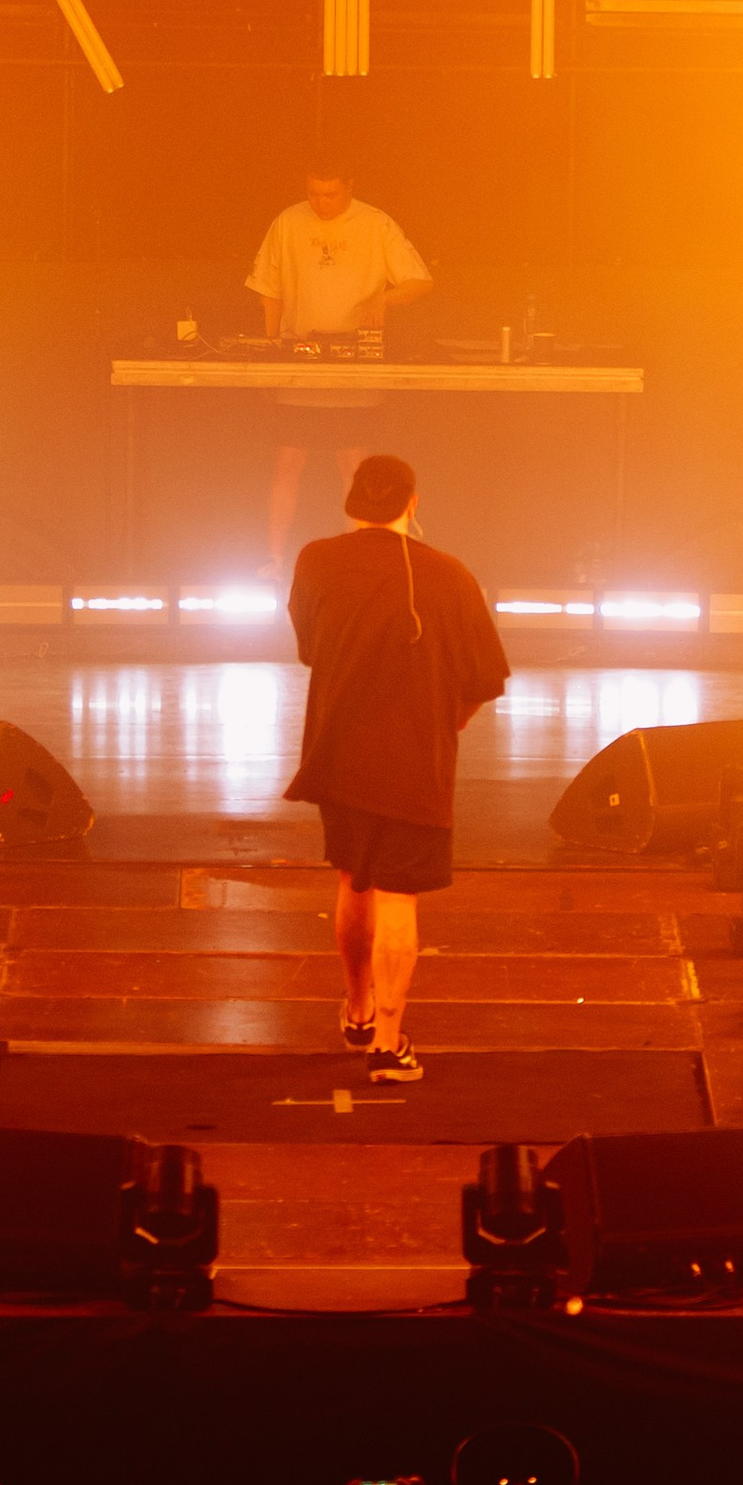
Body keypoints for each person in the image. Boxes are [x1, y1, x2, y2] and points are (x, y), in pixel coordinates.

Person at [283, 450, 508, 1086]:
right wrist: (449, 719)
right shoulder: (448, 573)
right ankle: (388, 1041)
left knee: (354, 878)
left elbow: (308, 647)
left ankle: (356, 1009)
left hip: (337, 750)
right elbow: (487, 674)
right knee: (399, 895)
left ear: (352, 505)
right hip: (416, 757)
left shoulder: (315, 560)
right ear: (413, 504)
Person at [245, 158, 433, 576]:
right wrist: (272, 350)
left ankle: (360, 554)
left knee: (353, 463)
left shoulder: (375, 223)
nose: (320, 202)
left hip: (355, 361)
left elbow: (419, 280)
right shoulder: (288, 222)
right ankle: (273, 559)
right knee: (288, 459)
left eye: (330, 194)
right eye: (313, 192)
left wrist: (383, 299)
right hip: (299, 359)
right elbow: (268, 289)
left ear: (350, 187)